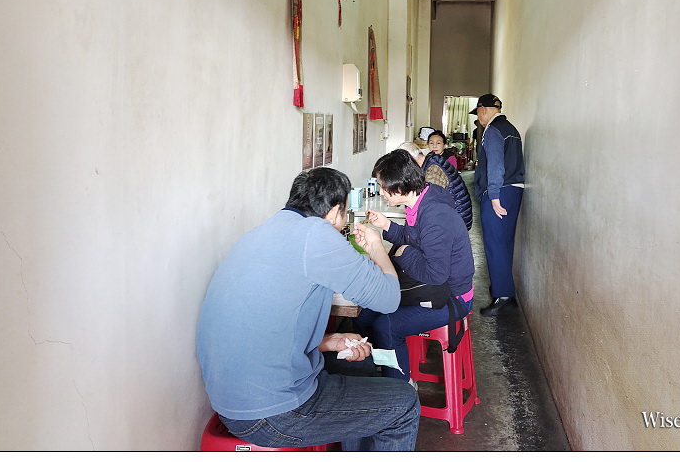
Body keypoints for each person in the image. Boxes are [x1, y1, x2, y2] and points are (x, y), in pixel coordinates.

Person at [196, 167, 420, 451]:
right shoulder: (318, 234)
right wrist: (376, 248)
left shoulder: (262, 231)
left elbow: (267, 326)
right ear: (335, 212)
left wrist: (326, 342)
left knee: (360, 364)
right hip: (271, 415)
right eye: (344, 217)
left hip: (231, 400)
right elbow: (389, 299)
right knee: (404, 403)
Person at [354, 150, 474, 384]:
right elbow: (414, 237)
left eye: (382, 186)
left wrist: (403, 253)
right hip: (434, 287)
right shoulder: (422, 200)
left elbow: (435, 274)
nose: (380, 192)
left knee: (386, 325)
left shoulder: (435, 214)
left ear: (399, 188)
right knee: (366, 314)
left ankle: (400, 390)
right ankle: (384, 367)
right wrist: (387, 225)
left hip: (452, 296)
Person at [470, 94, 525, 317]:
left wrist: (493, 196)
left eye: (479, 114)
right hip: (514, 190)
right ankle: (504, 291)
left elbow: (495, 165)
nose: (479, 119)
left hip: (500, 191)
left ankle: (503, 296)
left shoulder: (493, 130)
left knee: (494, 243)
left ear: (483, 110)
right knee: (504, 241)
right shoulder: (511, 128)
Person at [397, 141, 472, 231]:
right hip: (456, 214)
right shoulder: (430, 162)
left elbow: (431, 205)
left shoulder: (433, 171)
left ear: (411, 160)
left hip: (457, 221)